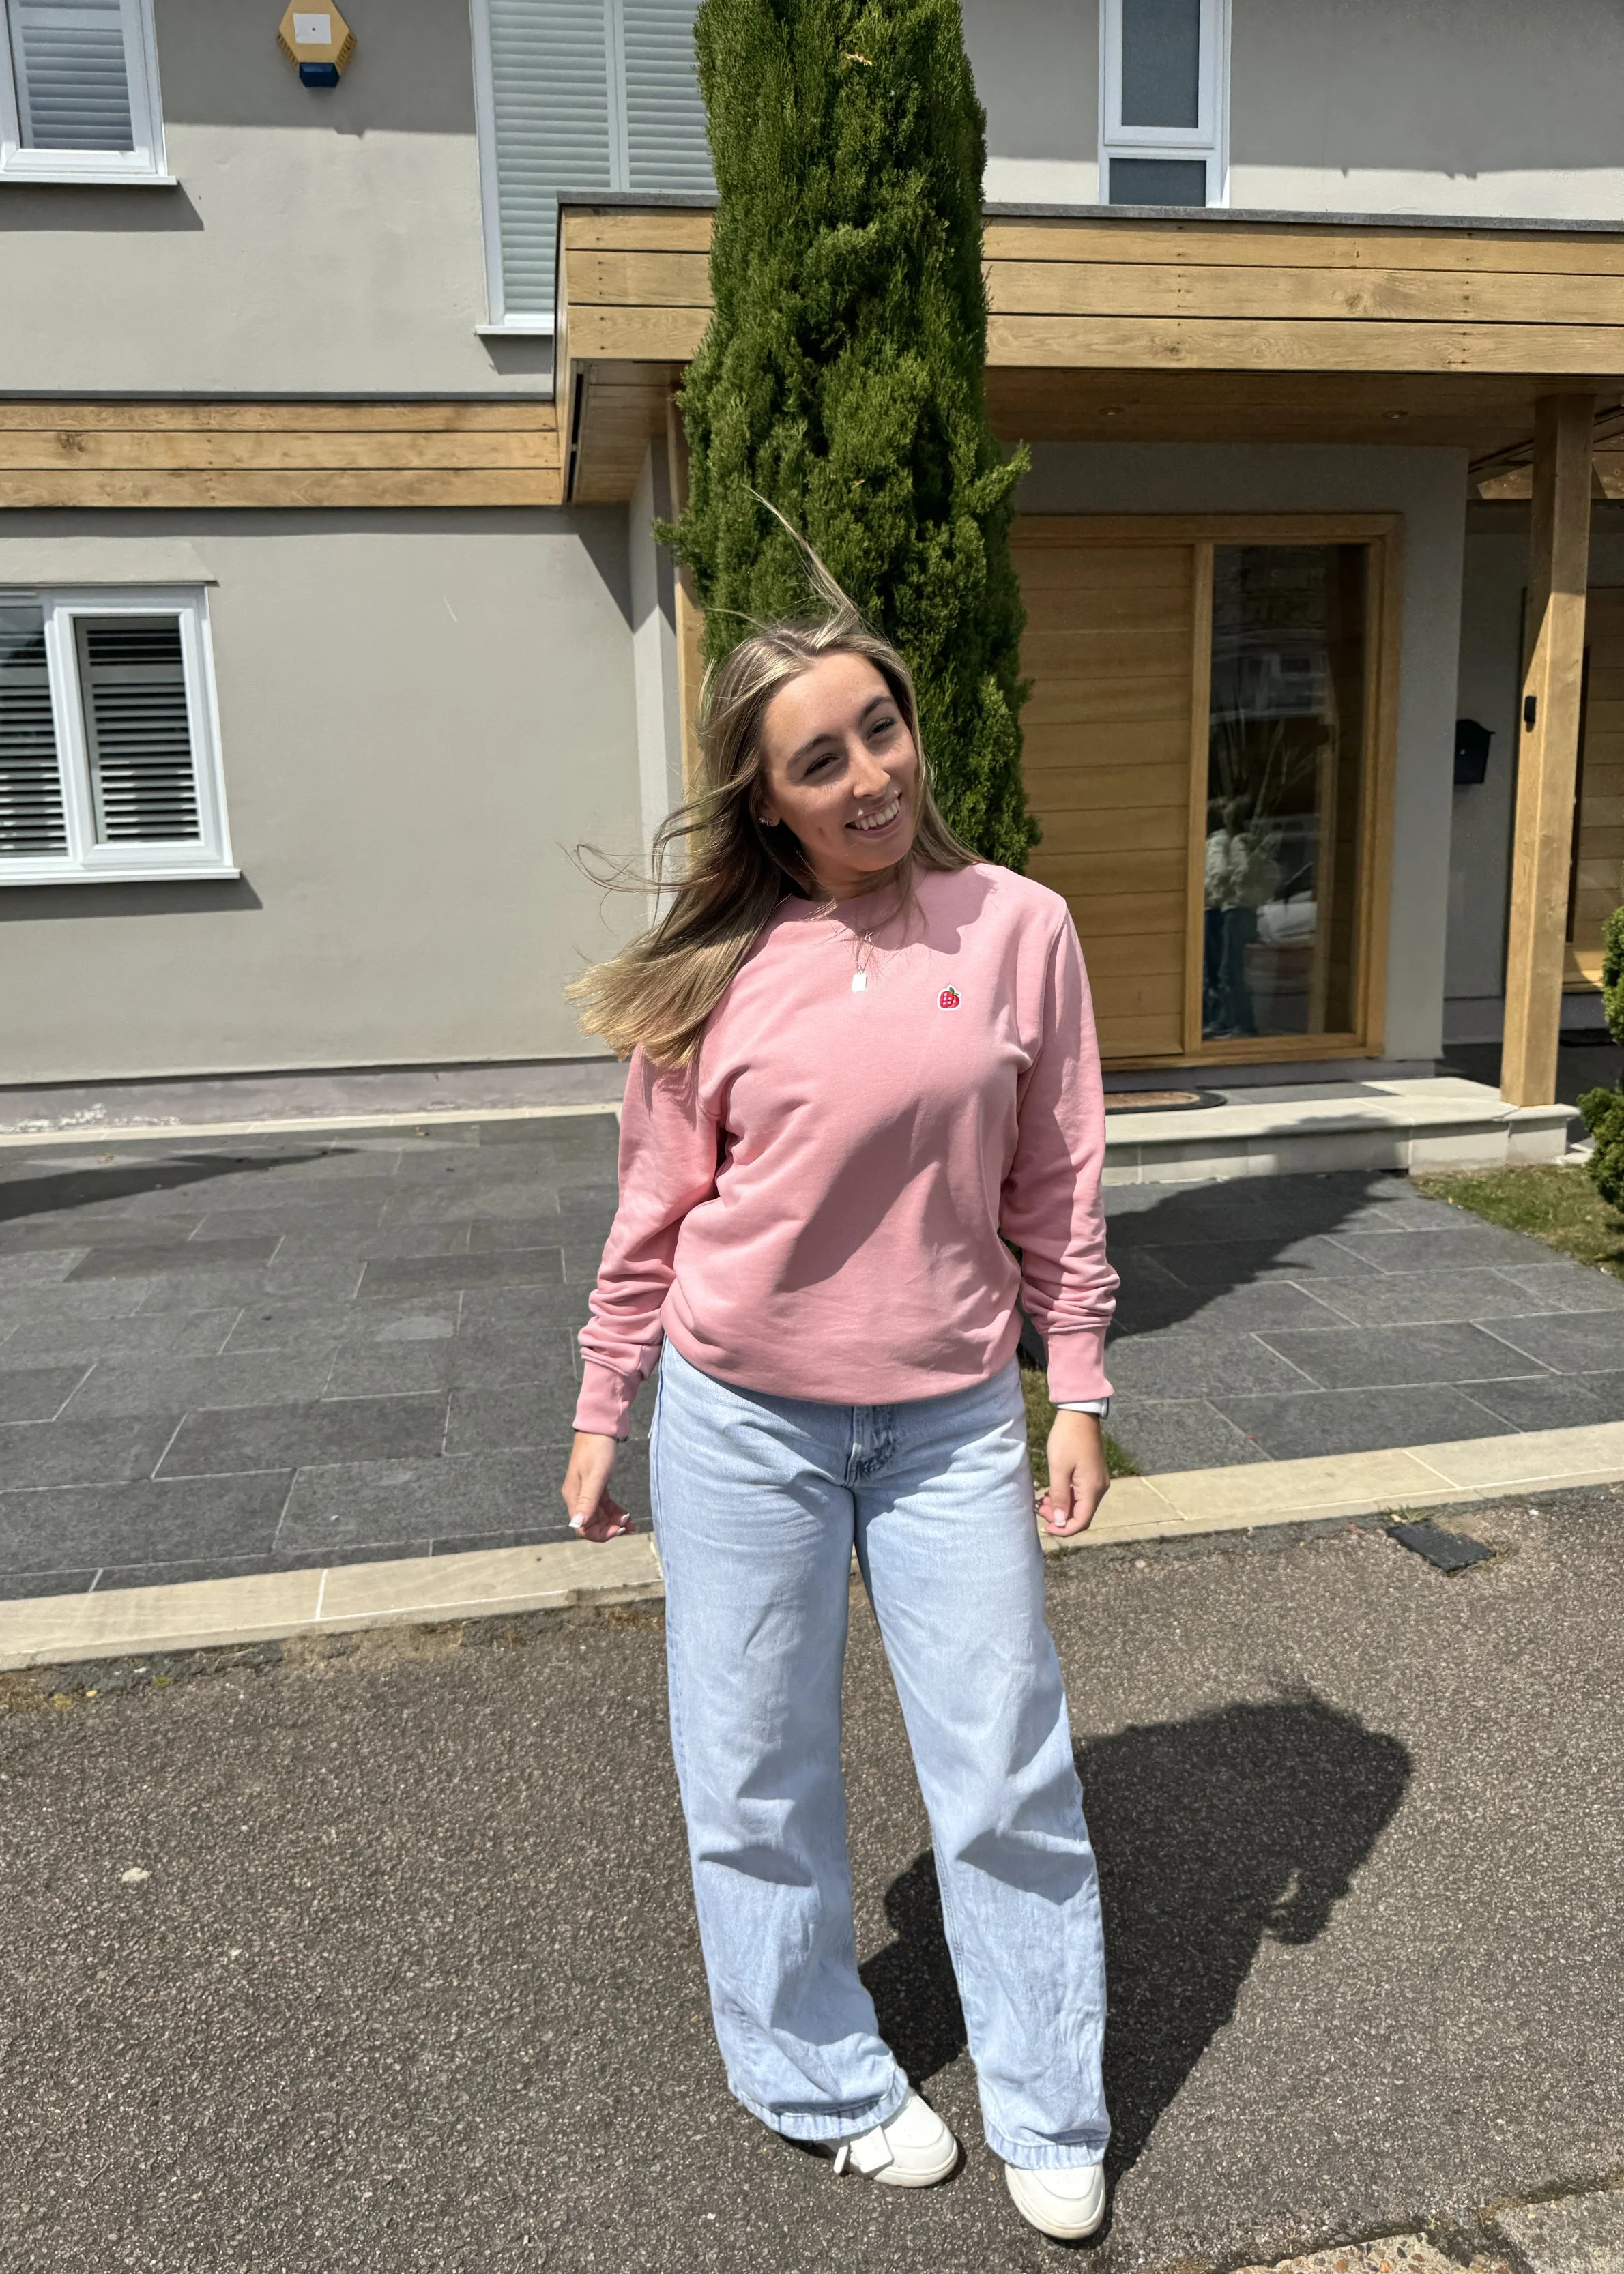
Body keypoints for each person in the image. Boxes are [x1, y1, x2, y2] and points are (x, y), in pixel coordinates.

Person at [560, 565, 1118, 2241]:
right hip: (741, 1424)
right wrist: (607, 1402)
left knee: (1006, 1767)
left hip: (949, 1423)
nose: (869, 774)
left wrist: (1070, 1384)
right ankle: (814, 2074)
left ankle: (1046, 2098)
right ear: (769, 800)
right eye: (822, 759)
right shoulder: (713, 974)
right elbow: (651, 1213)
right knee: (752, 1774)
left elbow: (1061, 1181)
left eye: (880, 728)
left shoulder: (1018, 926)